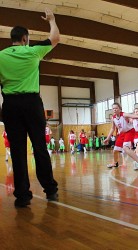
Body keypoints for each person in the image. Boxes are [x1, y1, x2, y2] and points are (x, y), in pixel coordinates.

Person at [0, 9, 59, 207]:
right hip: (32, 104)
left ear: (12, 39)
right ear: (25, 38)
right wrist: (51, 20)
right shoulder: (33, 51)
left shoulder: (1, 56)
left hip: (10, 105)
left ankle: (22, 196)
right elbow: (55, 38)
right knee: (40, 147)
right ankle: (50, 190)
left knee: (17, 152)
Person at [103, 102, 138, 170]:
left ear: (120, 109)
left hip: (129, 131)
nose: (114, 110)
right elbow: (113, 128)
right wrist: (108, 138)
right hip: (122, 133)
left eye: (116, 108)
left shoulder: (124, 115)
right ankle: (115, 163)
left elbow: (136, 116)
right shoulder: (113, 118)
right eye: (113, 108)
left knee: (125, 148)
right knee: (115, 150)